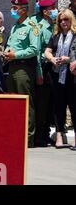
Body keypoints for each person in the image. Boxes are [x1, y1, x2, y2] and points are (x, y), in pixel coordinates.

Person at [4, 0, 40, 148]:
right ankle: (14, 134)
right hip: (12, 67)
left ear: (23, 10)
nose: (12, 11)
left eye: (15, 8)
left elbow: (34, 49)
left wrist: (15, 55)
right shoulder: (14, 26)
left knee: (26, 102)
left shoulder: (32, 26)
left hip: (23, 68)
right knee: (13, 102)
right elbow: (11, 45)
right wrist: (6, 53)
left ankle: (28, 138)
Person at [46, 9, 76, 149]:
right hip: (56, 75)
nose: (63, 22)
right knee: (58, 106)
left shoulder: (75, 35)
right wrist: (52, 59)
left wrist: (69, 59)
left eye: (66, 20)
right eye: (61, 20)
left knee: (74, 106)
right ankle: (59, 136)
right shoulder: (56, 35)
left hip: (72, 75)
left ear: (71, 20)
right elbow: (47, 50)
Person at [34, 0, 58, 147]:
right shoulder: (40, 27)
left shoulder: (53, 26)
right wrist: (38, 73)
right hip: (43, 68)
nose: (55, 9)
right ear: (45, 11)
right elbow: (37, 51)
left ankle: (46, 133)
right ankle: (39, 135)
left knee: (50, 103)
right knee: (42, 104)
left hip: (53, 67)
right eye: (52, 8)